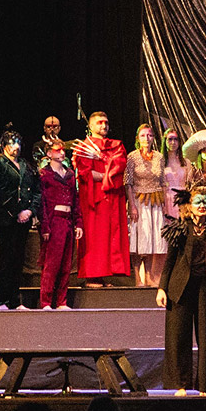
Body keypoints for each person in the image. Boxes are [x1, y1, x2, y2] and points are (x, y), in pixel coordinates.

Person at [157, 183, 206, 396]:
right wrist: (162, 288)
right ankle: (180, 384)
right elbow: (170, 261)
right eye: (198, 201)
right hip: (180, 287)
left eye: (205, 202)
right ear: (189, 205)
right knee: (178, 336)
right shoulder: (180, 229)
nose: (202, 205)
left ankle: (204, 387)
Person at [72, 110, 128, 286]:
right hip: (93, 199)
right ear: (90, 126)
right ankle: (92, 276)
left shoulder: (116, 145)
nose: (104, 125)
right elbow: (85, 173)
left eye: (106, 122)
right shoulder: (84, 147)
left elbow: (120, 166)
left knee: (109, 236)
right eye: (99, 122)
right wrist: (107, 174)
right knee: (94, 237)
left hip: (112, 198)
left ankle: (103, 274)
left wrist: (103, 162)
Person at [0, 134, 38, 311]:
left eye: (18, 143)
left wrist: (30, 210)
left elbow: (36, 190)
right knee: (6, 259)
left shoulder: (26, 165)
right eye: (12, 143)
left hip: (24, 219)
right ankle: (2, 300)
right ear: (3, 145)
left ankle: (15, 300)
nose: (16, 146)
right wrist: (17, 211)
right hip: (6, 219)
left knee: (18, 259)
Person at [36, 141, 81, 311]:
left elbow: (76, 200)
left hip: (68, 221)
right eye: (57, 150)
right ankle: (46, 301)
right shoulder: (45, 175)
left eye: (63, 150)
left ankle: (62, 301)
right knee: (52, 263)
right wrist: (45, 227)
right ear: (49, 154)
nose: (62, 153)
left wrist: (78, 223)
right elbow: (42, 203)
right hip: (54, 221)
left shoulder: (69, 174)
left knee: (65, 264)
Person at [125, 123, 167, 286]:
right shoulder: (132, 157)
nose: (146, 138)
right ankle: (138, 277)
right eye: (143, 135)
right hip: (138, 200)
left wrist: (164, 205)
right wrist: (132, 206)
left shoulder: (159, 157)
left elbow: (162, 182)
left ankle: (149, 276)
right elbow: (128, 183)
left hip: (155, 201)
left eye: (149, 135)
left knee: (151, 240)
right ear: (137, 138)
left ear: (153, 138)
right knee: (138, 239)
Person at [159, 127, 192, 218]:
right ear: (165, 141)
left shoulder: (186, 162)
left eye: (176, 139)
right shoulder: (160, 162)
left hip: (183, 199)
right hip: (167, 199)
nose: (173, 142)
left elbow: (190, 183)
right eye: (170, 139)